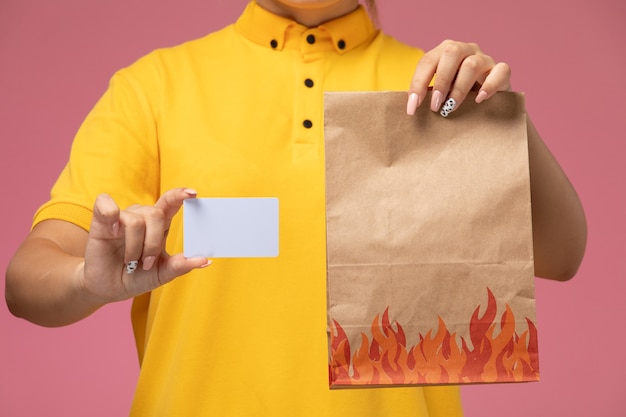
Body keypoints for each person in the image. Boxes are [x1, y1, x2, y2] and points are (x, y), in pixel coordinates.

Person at [5, 0, 587, 415]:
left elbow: (562, 255)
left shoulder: (439, 91)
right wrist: (85, 279)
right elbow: (28, 279)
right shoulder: (154, 88)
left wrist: (500, 114)